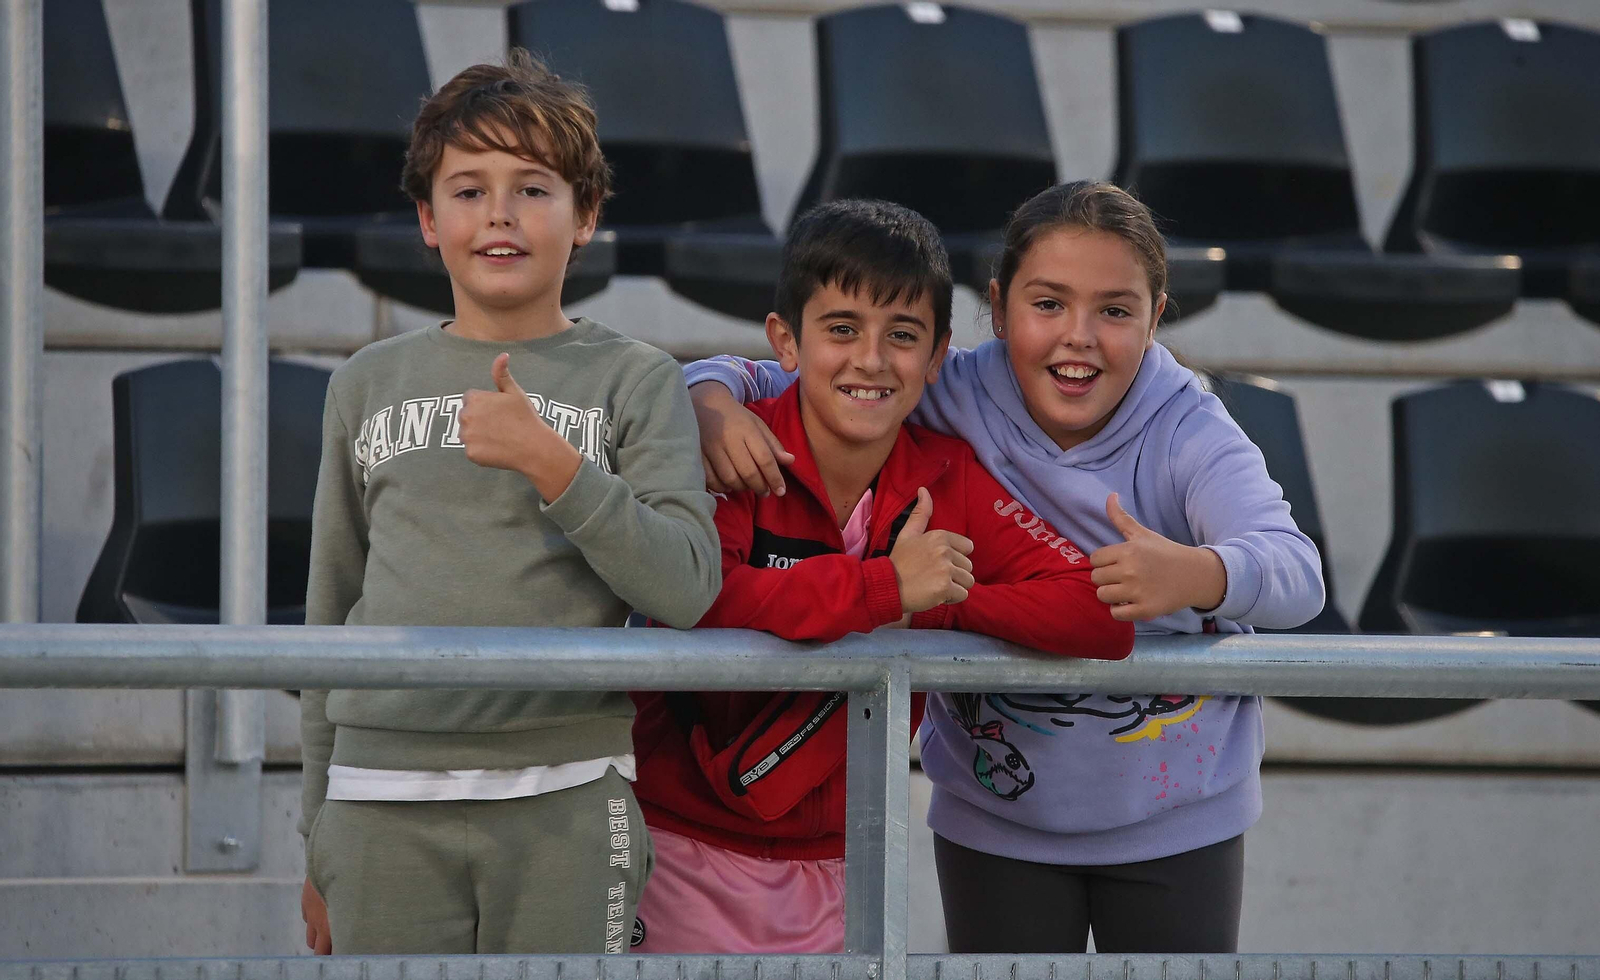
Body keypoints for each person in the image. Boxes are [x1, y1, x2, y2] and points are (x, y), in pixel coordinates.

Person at [680, 181, 1325, 953]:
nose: (1077, 337)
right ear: (998, 306)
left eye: (1116, 311)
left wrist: (1201, 575)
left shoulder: (1189, 424)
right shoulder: (949, 383)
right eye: (1047, 304)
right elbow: (805, 369)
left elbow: (1297, 573)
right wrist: (709, 397)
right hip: (998, 817)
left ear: (1156, 317)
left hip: (1176, 818)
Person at [297, 51, 720, 956]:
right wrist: (315, 830)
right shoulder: (365, 383)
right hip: (381, 798)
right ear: (426, 219)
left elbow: (687, 585)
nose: (499, 213)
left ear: (587, 216)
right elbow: (327, 616)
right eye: (468, 189)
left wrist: (557, 469)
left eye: (533, 188)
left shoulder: (638, 379)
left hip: (567, 792)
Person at [629, 199, 1133, 955]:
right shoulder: (730, 446)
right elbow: (700, 599)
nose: (871, 359)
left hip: (845, 861)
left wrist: (936, 607)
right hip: (674, 845)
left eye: (902, 336)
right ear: (785, 341)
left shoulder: (946, 476)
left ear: (936, 361)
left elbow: (1100, 616)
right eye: (841, 329)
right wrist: (884, 592)